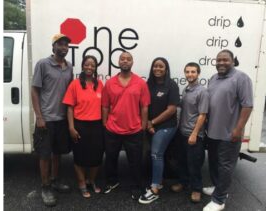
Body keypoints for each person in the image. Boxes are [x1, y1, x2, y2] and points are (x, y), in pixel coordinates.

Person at [203, 49, 253, 211]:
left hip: (229, 133)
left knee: (225, 165)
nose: (221, 63)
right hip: (212, 132)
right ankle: (218, 188)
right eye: (218, 60)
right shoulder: (213, 78)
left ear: (232, 61)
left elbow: (247, 105)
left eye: (225, 60)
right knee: (214, 162)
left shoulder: (241, 78)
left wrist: (238, 130)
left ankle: (219, 200)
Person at [101, 51, 151, 200]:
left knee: (135, 161)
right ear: (118, 62)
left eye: (128, 59)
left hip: (134, 129)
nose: (125, 61)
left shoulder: (140, 83)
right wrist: (104, 123)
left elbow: (144, 107)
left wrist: (143, 125)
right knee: (110, 158)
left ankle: (136, 185)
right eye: (122, 59)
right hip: (112, 128)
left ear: (132, 62)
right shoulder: (110, 83)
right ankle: (112, 182)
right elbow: (105, 106)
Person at [31, 33, 73, 206]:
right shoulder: (43, 64)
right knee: (45, 154)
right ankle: (45, 186)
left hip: (62, 118)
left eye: (66, 45)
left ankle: (55, 180)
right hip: (46, 119)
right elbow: (35, 91)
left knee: (58, 152)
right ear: (53, 46)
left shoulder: (69, 66)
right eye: (60, 44)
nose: (64, 47)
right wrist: (39, 116)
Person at [138, 57, 180, 204]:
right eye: (155, 66)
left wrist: (152, 123)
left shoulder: (172, 85)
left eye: (161, 66)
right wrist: (147, 125)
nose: (158, 69)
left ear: (166, 69)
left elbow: (172, 109)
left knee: (156, 154)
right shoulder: (147, 84)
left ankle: (155, 188)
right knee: (148, 154)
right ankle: (159, 179)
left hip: (166, 126)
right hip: (150, 126)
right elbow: (143, 105)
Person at [62, 55, 104, 198]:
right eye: (87, 64)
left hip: (97, 126)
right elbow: (69, 108)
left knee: (97, 157)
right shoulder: (75, 84)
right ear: (82, 66)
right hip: (80, 125)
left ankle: (91, 180)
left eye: (92, 65)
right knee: (80, 157)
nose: (89, 67)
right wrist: (71, 128)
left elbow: (105, 107)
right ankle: (81, 183)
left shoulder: (99, 84)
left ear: (95, 67)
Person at [170, 62, 209, 203]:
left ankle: (196, 189)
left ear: (198, 73)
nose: (190, 74)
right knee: (182, 161)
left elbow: (202, 115)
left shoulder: (202, 92)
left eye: (193, 72)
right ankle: (183, 182)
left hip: (194, 135)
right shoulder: (187, 89)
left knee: (194, 164)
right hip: (182, 133)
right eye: (187, 72)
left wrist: (194, 133)